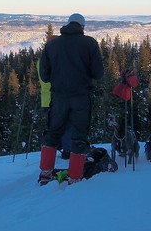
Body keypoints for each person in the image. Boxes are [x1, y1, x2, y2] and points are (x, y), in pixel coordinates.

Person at [38, 13, 104, 185]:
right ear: (83, 27)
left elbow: (44, 76)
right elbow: (98, 73)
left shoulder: (52, 45)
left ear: (68, 24)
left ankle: (45, 174)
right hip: (81, 97)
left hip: (59, 97)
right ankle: (74, 177)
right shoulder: (90, 43)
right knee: (79, 137)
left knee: (52, 134)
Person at [36, 35, 71, 160]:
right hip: (57, 97)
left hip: (46, 100)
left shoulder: (41, 61)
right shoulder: (57, 60)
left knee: (52, 126)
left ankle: (51, 149)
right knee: (65, 124)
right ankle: (66, 149)